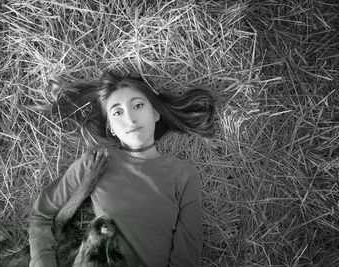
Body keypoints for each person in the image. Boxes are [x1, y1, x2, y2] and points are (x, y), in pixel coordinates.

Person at [28, 70, 216, 267]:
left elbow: (187, 257)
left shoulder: (184, 174)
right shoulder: (97, 162)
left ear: (155, 112)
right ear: (111, 127)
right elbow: (41, 215)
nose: (130, 119)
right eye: (118, 112)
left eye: (138, 105)